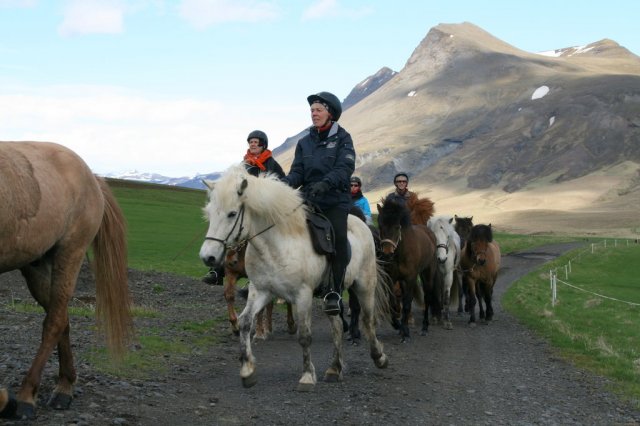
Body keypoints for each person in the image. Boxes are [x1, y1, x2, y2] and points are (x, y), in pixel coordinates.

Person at [283, 91, 355, 315]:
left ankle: (334, 290)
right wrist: (283, 186)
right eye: (312, 110)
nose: (313, 114)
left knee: (339, 238)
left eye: (318, 110)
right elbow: (297, 172)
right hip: (309, 199)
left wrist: (326, 183)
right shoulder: (304, 142)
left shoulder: (343, 138)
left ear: (330, 113)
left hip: (335, 200)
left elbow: (345, 168)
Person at [202, 130, 285, 285]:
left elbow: (281, 185)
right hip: (243, 208)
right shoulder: (243, 165)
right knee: (226, 231)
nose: (253, 144)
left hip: (261, 210)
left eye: (256, 142)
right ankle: (216, 270)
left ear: (263, 145)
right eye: (251, 142)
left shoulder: (271, 164)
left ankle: (260, 276)